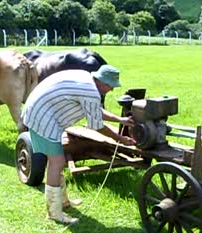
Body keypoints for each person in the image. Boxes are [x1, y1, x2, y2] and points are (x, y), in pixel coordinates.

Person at [21, 64, 136, 224]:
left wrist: (120, 120)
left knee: (56, 161)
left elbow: (95, 110)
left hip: (41, 109)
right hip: (42, 116)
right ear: (101, 81)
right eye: (110, 86)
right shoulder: (90, 92)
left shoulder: (86, 80)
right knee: (57, 162)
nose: (111, 90)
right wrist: (120, 139)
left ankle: (62, 201)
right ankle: (54, 212)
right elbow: (96, 125)